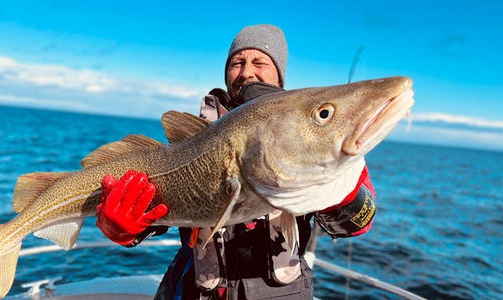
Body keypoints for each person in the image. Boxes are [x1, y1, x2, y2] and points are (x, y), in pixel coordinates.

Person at [95, 24, 376, 300]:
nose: (246, 72)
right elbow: (167, 205)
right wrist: (126, 229)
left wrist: (343, 193)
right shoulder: (198, 135)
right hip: (199, 289)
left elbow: (358, 222)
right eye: (237, 62)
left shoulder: (308, 129)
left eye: (259, 62)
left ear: (279, 75)